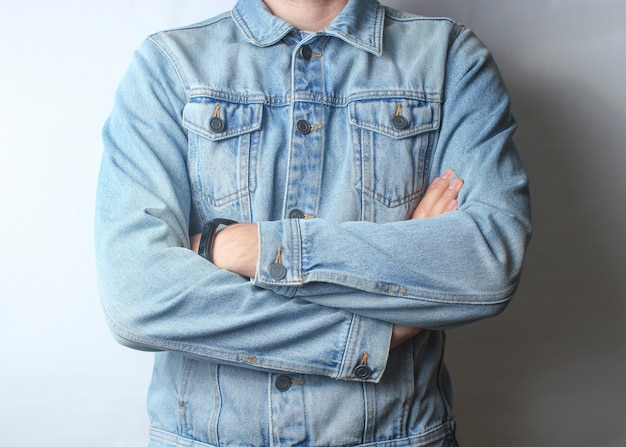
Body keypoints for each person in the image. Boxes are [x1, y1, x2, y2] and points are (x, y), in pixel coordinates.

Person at [95, 0, 531, 445]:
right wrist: (373, 336)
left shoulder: (448, 57)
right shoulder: (170, 65)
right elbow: (137, 298)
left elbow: (485, 265)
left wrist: (249, 248)